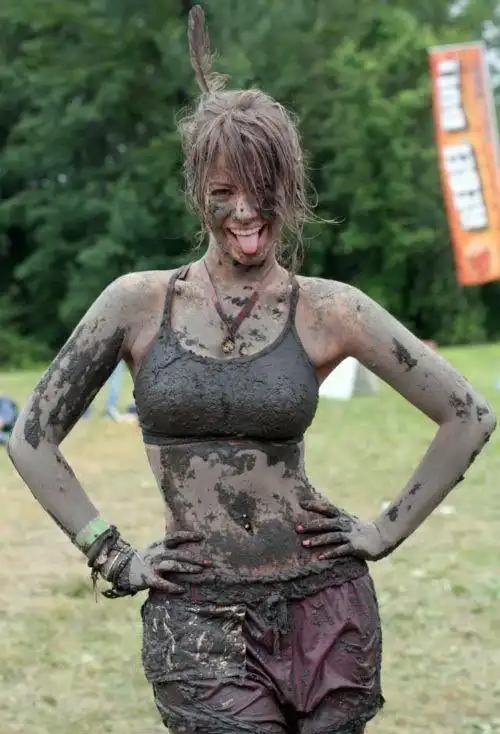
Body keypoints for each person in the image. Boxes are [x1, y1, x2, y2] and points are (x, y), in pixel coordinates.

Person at [7, 7, 496, 733]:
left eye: (262, 190)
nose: (244, 211)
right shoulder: (137, 304)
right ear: (197, 193)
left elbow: (469, 414)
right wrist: (110, 553)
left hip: (328, 608)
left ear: (288, 188)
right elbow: (31, 439)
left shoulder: (329, 310)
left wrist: (386, 530)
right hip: (197, 617)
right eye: (223, 193)